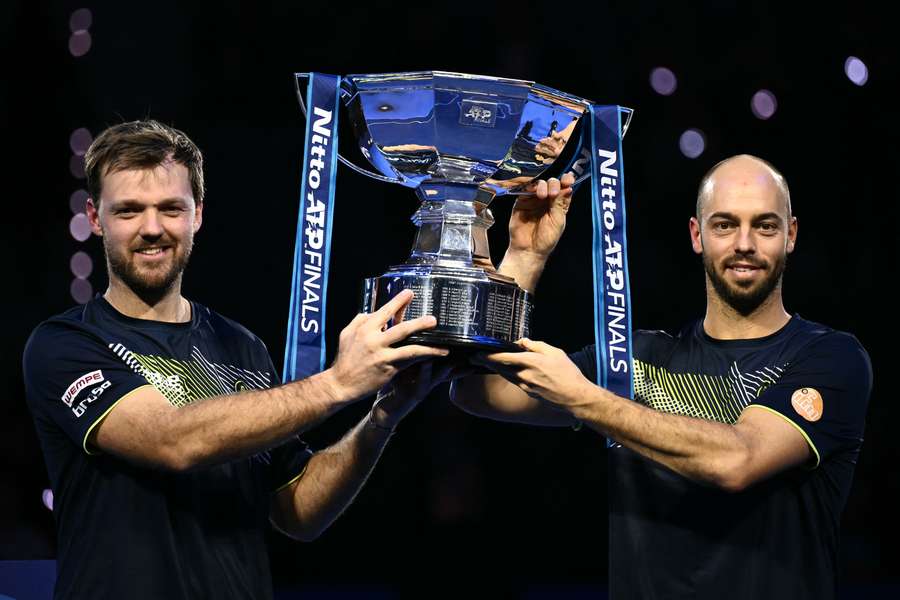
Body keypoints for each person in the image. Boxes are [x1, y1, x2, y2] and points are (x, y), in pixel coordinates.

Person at [22, 120, 453, 599]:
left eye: (170, 209)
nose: (151, 228)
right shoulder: (64, 344)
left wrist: (382, 415)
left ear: (198, 215)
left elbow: (299, 512)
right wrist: (337, 383)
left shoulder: (242, 346)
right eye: (128, 211)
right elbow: (172, 441)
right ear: (95, 217)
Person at [452, 155, 873, 599]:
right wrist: (525, 256)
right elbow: (480, 391)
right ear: (697, 235)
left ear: (790, 235)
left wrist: (584, 398)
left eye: (765, 226)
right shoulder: (635, 359)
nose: (744, 243)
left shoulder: (831, 358)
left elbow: (738, 461)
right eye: (725, 225)